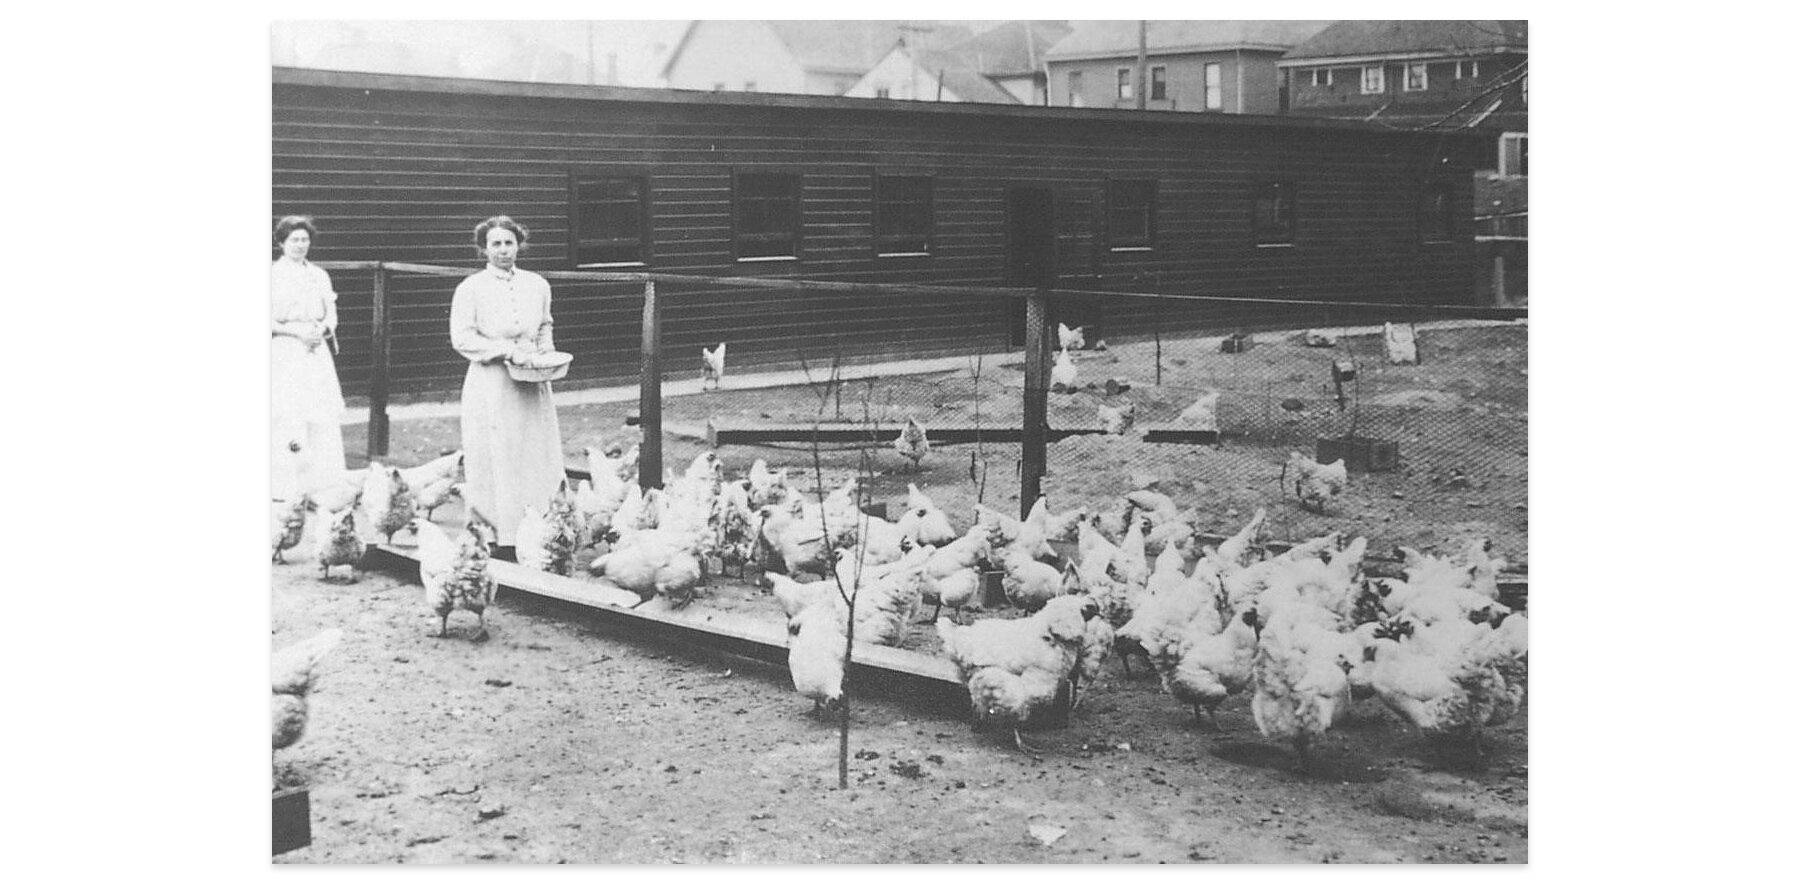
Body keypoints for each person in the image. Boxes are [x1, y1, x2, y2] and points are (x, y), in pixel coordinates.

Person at [451, 216, 565, 552]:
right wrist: (504, 351)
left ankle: (540, 528)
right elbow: (462, 338)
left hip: (532, 380)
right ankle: (499, 533)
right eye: (495, 244)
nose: (503, 250)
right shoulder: (471, 288)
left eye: (509, 243)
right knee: (496, 453)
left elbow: (545, 326)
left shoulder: (537, 284)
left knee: (534, 451)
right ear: (484, 249)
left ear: (519, 245)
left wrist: (546, 355)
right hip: (492, 383)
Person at [270, 215, 348, 502]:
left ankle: (320, 488)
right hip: (285, 351)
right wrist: (295, 333)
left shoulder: (319, 275)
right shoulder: (272, 275)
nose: (300, 245)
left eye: (304, 240)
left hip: (316, 352)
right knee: (289, 415)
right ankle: (287, 487)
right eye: (294, 240)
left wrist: (323, 328)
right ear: (281, 242)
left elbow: (331, 313)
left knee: (320, 415)